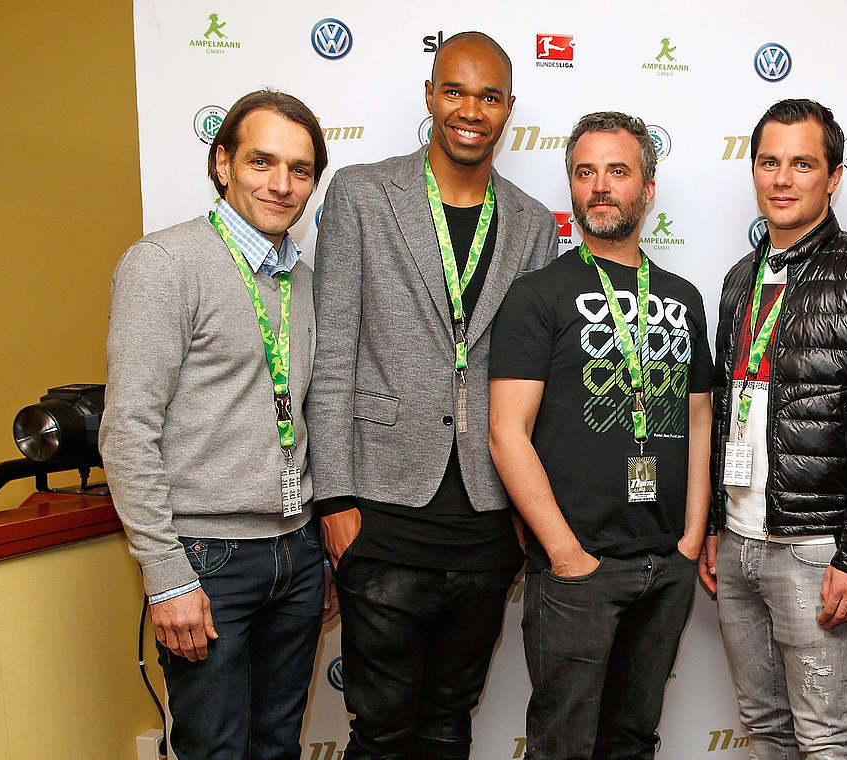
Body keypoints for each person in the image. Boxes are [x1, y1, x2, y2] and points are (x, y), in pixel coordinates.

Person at [308, 32, 558, 760]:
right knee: (382, 731)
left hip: (485, 518)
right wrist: (335, 501)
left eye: (488, 96)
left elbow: (532, 381)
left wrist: (521, 511)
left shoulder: (534, 223)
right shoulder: (361, 193)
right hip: (381, 508)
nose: (470, 110)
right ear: (429, 96)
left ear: (509, 107)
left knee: (450, 719)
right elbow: (334, 356)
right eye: (455, 90)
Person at [100, 89, 330, 759]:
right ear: (223, 161)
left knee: (276, 747)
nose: (282, 185)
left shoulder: (303, 282)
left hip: (294, 551)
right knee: (215, 752)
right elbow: (129, 429)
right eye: (262, 162)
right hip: (207, 559)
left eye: (301, 169)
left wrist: (311, 550)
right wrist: (167, 574)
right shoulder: (164, 264)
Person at [488, 111, 713, 760]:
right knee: (563, 745)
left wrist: (692, 538)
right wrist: (564, 554)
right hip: (579, 570)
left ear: (648, 186)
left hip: (665, 563)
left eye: (618, 171)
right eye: (585, 173)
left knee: (632, 742)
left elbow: (700, 418)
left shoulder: (682, 297)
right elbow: (507, 432)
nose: (601, 187)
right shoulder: (538, 295)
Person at [701, 98, 847, 759]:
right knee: (766, 730)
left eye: (802, 163)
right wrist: (717, 522)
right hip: (740, 544)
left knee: (825, 738)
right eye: (769, 162)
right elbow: (728, 410)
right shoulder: (740, 281)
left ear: (834, 177)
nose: (782, 178)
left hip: (815, 549)